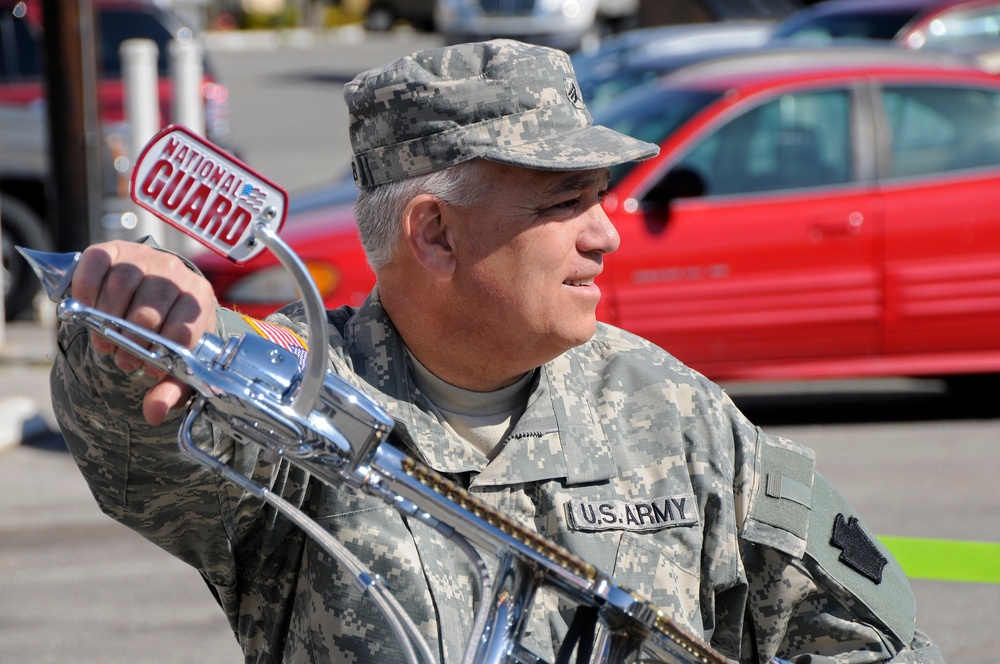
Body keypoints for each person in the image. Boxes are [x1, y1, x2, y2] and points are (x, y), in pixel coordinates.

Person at [51, 39, 944, 663]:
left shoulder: (672, 411)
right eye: (562, 203)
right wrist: (126, 332)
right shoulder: (299, 400)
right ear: (433, 234)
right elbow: (139, 453)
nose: (607, 235)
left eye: (601, 197)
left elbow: (872, 641)